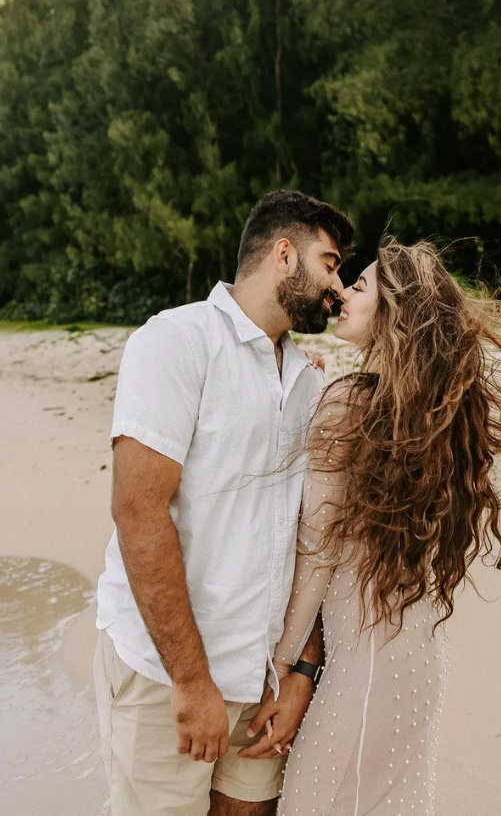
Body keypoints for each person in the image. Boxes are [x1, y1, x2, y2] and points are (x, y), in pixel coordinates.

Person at [263, 239, 501, 816]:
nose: (343, 291)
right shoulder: (433, 417)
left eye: (361, 285)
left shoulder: (349, 405)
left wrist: (281, 665)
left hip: (365, 669)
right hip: (420, 659)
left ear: (394, 314)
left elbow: (318, 551)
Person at [93, 189, 353, 816]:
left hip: (260, 673)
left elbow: (305, 534)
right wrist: (190, 681)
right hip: (166, 674)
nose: (338, 287)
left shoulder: (309, 376)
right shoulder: (175, 342)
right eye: (330, 262)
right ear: (284, 255)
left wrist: (301, 671)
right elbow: (138, 511)